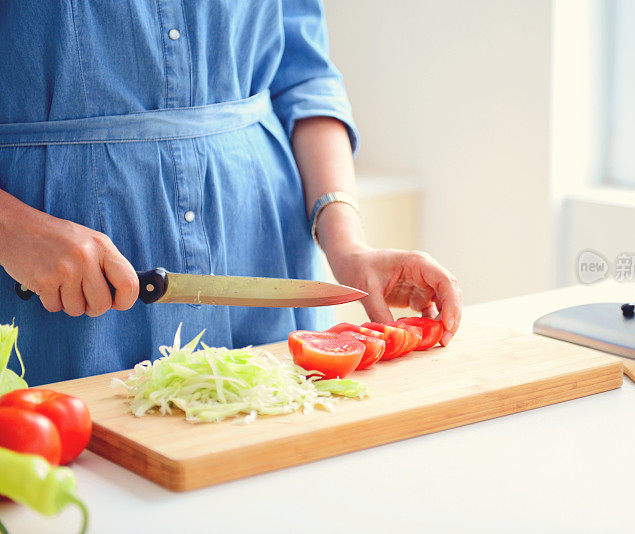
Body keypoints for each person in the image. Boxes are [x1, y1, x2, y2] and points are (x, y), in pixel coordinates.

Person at [0, 1, 462, 386]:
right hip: (51, 283)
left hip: (258, 245)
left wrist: (347, 244)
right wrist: (11, 229)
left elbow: (302, 78)